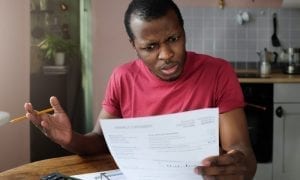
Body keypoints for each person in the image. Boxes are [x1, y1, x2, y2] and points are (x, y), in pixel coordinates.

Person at [24, 0, 256, 179]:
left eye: (173, 38)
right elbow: (100, 140)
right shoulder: (122, 77)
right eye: (151, 47)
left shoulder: (218, 72)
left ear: (183, 31)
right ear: (134, 45)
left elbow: (239, 148)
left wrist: (239, 165)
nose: (166, 55)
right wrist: (70, 139)